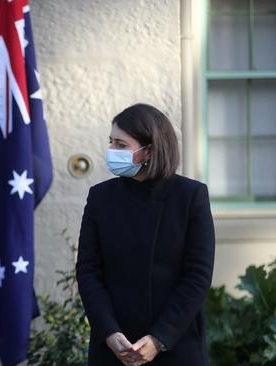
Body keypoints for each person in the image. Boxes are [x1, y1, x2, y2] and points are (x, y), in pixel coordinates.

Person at [76, 103, 215, 366]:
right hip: (115, 348)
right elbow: (88, 271)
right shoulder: (100, 197)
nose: (111, 151)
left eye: (121, 144)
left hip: (175, 345)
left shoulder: (190, 196)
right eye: (111, 142)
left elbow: (198, 275)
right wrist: (109, 333)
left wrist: (158, 339)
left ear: (148, 150)